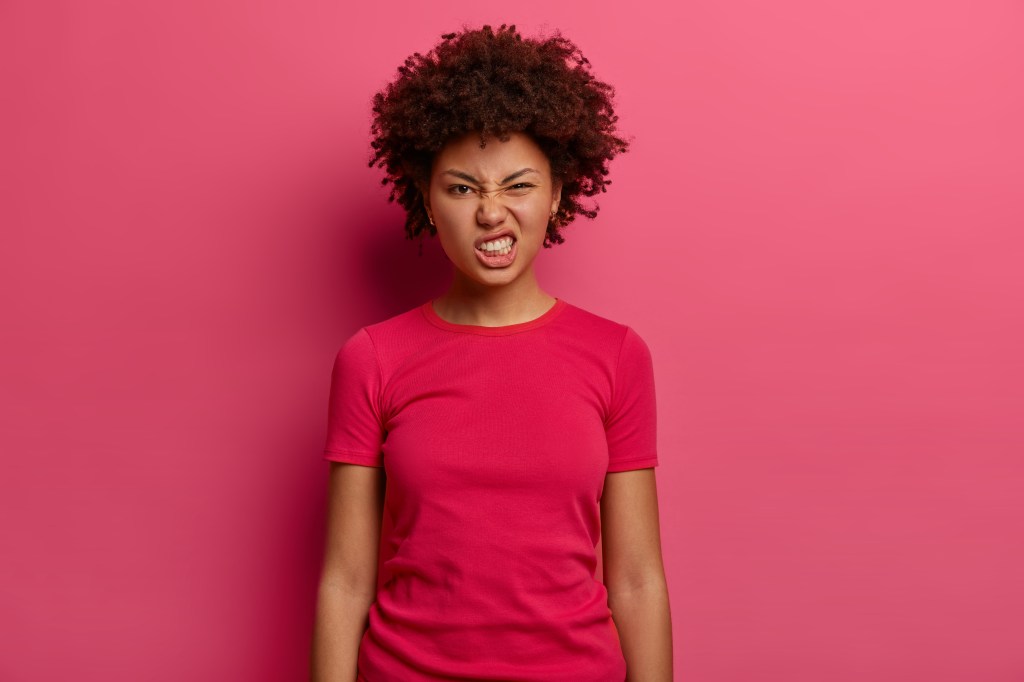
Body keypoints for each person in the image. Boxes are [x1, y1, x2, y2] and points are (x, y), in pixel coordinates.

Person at [311, 25, 672, 682]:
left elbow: (638, 578)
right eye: (462, 188)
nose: (490, 213)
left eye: (517, 185)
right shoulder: (372, 358)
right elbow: (346, 579)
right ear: (426, 199)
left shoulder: (618, 356)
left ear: (558, 194)